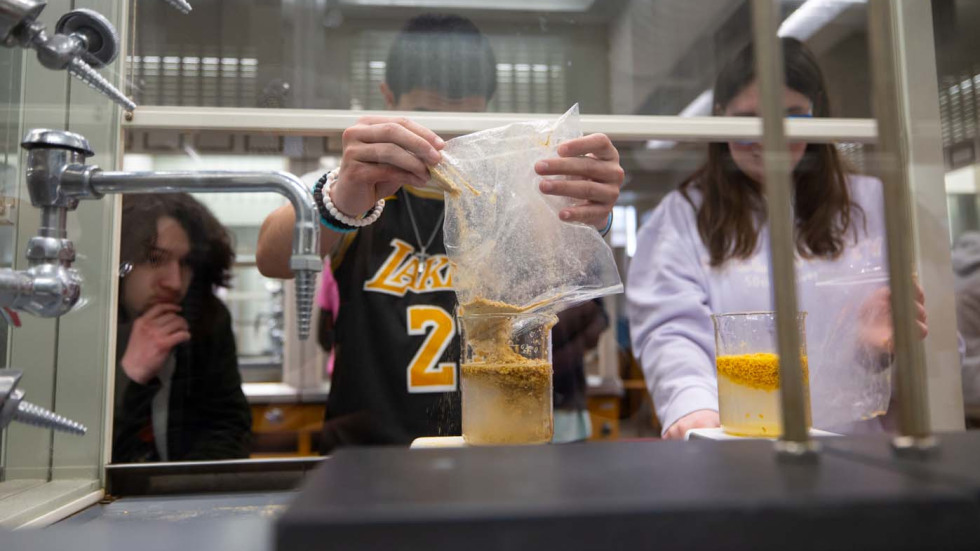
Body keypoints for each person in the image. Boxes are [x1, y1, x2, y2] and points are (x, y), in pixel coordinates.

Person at [257, 14, 623, 451]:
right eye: (428, 113)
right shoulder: (358, 185)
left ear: (488, 108)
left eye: (465, 117)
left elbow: (571, 280)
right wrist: (341, 199)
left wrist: (589, 211)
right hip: (374, 459)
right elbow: (272, 257)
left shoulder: (520, 195)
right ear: (388, 98)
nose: (444, 138)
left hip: (504, 449)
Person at [626, 37, 928, 440]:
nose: (769, 140)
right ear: (721, 119)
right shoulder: (682, 216)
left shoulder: (872, 203)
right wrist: (693, 405)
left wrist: (880, 351)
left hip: (856, 445)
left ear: (817, 115)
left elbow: (934, 348)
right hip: (736, 442)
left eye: (792, 118)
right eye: (749, 122)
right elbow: (671, 330)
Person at [113, 194, 251, 463]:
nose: (174, 282)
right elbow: (76, 459)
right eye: (154, 259)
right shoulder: (83, 326)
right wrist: (132, 376)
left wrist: (186, 488)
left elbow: (229, 427)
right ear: (120, 262)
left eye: (185, 263)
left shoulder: (206, 318)